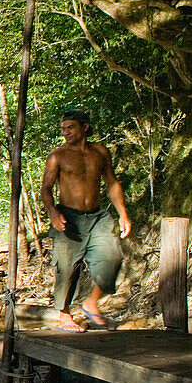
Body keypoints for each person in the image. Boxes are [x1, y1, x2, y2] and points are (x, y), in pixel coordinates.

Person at [41, 109, 131, 332]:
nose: (66, 133)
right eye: (63, 129)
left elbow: (111, 182)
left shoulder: (100, 152)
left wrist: (123, 214)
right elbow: (46, 189)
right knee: (67, 267)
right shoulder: (57, 155)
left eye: (70, 128)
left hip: (97, 215)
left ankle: (91, 303)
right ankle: (64, 316)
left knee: (112, 257)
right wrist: (53, 213)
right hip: (68, 216)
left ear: (85, 127)